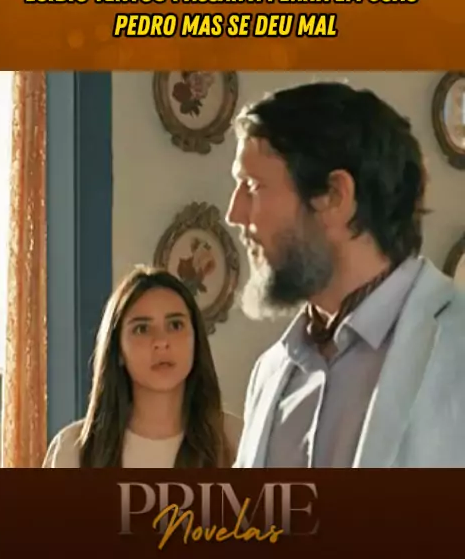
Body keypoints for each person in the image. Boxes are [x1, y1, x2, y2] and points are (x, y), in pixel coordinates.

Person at [226, 81, 465, 468]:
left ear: (334, 196)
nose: (234, 214)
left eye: (253, 186)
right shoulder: (271, 373)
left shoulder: (456, 346)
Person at [43, 267, 241, 467]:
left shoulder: (238, 440)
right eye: (142, 329)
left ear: (196, 340)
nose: (161, 342)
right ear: (118, 350)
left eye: (175, 325)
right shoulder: (71, 450)